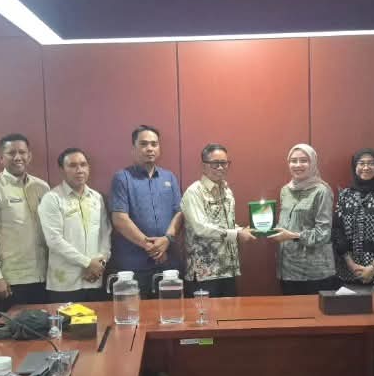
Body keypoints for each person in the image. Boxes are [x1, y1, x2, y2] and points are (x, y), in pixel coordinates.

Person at [0, 133, 50, 308]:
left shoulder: (42, 187)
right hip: (12, 280)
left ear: (29, 156)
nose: (18, 157)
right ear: (1, 158)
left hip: (45, 276)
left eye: (22, 152)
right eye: (11, 153)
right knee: (14, 326)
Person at [110, 125, 183, 298]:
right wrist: (151, 247)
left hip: (168, 265)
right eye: (143, 144)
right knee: (135, 313)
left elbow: (179, 213)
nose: (150, 148)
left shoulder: (169, 177)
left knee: (171, 312)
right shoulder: (122, 178)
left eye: (154, 144)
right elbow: (119, 219)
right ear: (133, 148)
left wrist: (167, 239)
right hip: (134, 266)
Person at [180, 144, 255, 297]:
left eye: (224, 163)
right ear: (203, 165)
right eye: (215, 163)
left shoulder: (227, 191)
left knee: (231, 312)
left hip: (228, 270)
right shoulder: (194, 192)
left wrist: (241, 230)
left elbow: (226, 224)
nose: (220, 167)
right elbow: (201, 228)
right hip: (204, 274)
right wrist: (236, 234)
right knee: (204, 313)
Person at [39, 148, 111, 303]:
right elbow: (54, 240)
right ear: (62, 170)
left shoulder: (97, 198)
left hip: (94, 279)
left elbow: (105, 234)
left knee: (98, 319)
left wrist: (100, 263)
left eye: (83, 164)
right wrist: (87, 263)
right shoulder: (52, 199)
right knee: (66, 320)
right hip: (65, 284)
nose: (79, 170)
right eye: (72, 165)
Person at [270, 143, 336, 295]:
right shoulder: (285, 190)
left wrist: (292, 236)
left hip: (314, 272)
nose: (298, 165)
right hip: (287, 269)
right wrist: (266, 230)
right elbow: (285, 224)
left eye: (304, 160)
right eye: (293, 161)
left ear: (313, 162)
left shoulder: (322, 191)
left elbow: (323, 234)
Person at [332, 148, 374, 289]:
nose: (366, 167)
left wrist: (373, 267)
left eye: (371, 163)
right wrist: (350, 263)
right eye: (361, 163)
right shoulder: (345, 194)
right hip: (349, 271)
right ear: (354, 166)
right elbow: (337, 231)